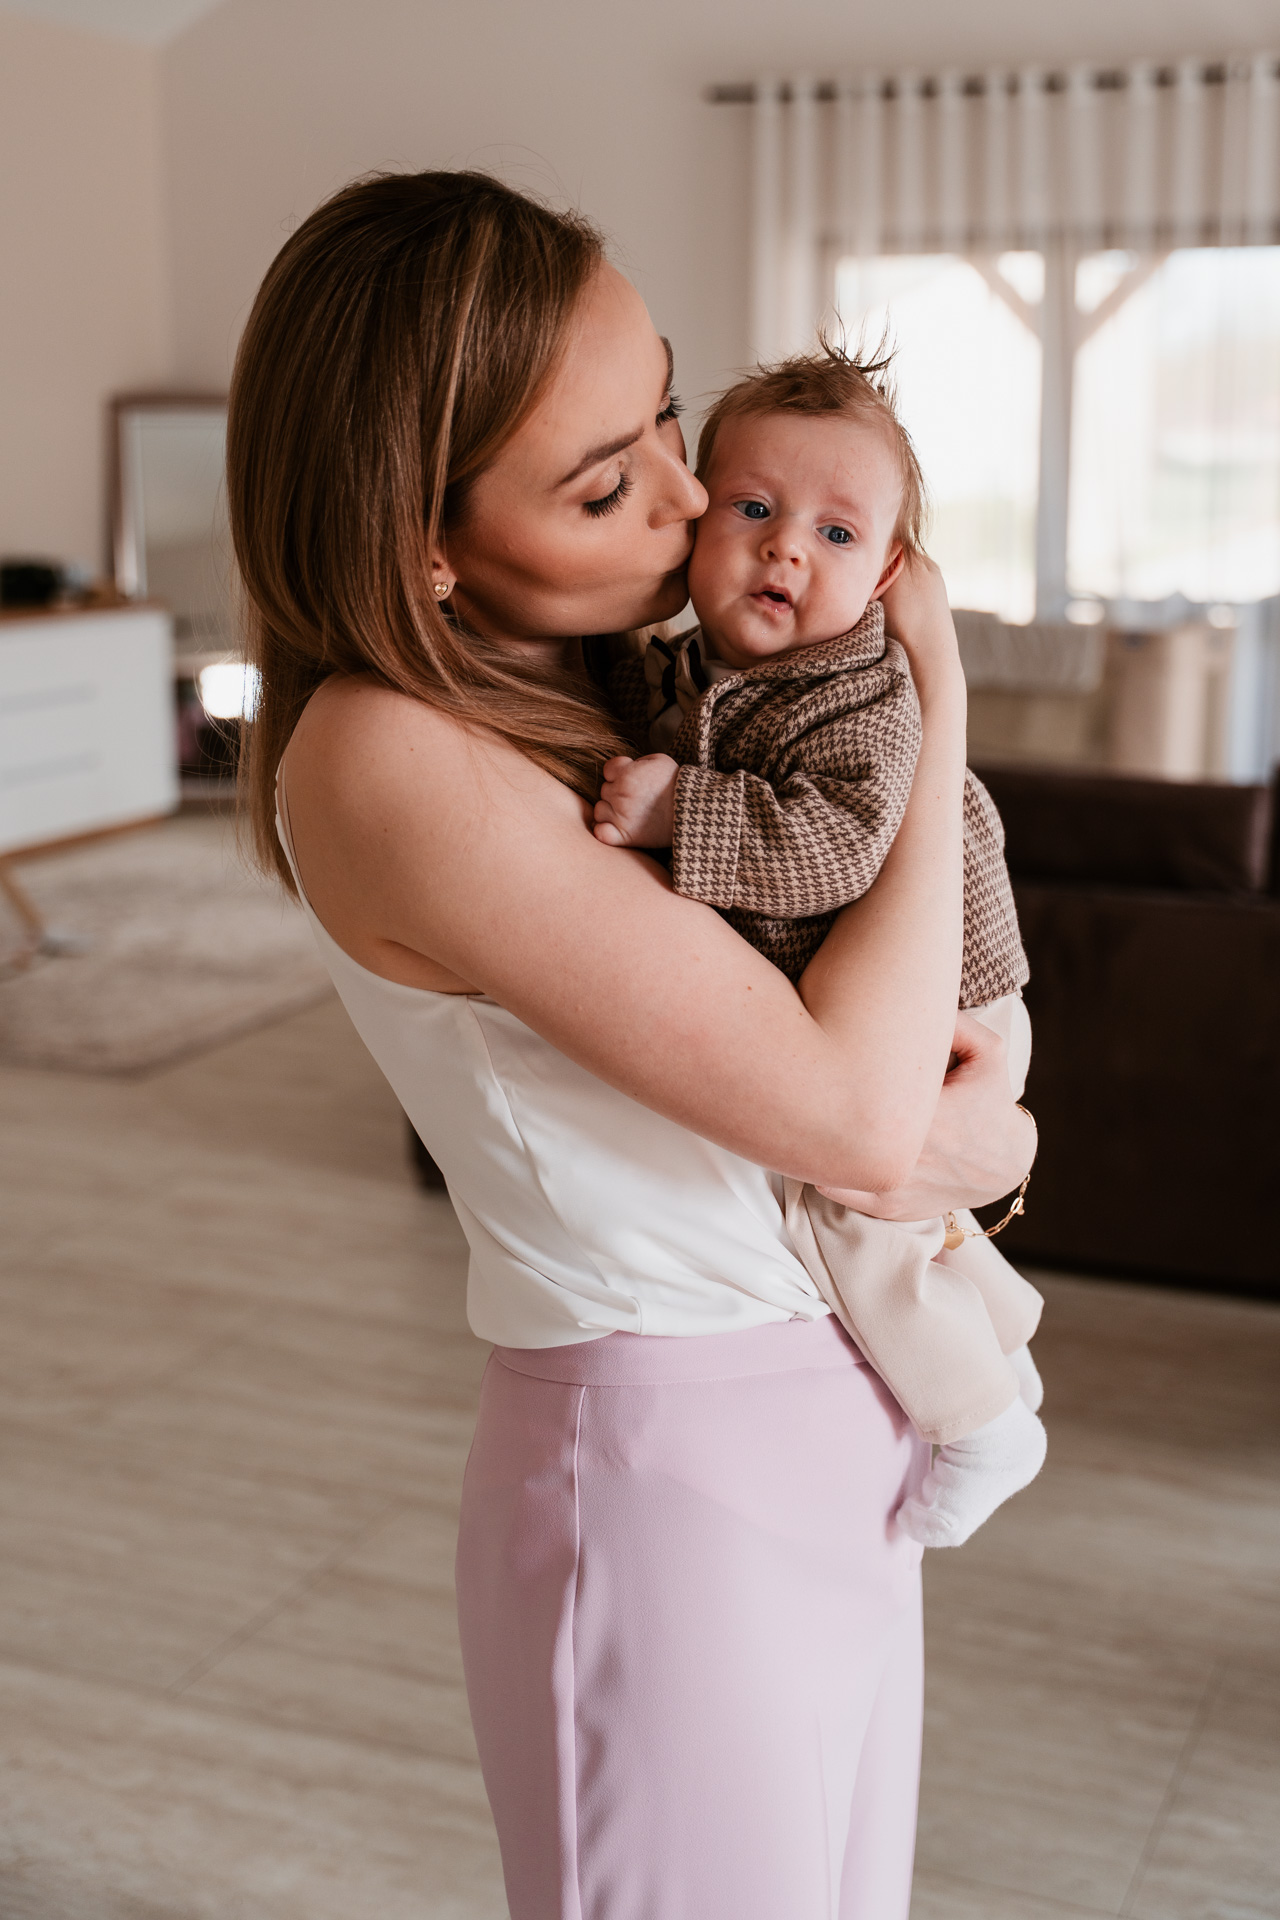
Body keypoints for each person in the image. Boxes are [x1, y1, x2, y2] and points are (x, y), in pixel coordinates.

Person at [226, 169, 1036, 1920]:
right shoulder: (387, 752)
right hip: (670, 1472)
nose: (685, 500)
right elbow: (857, 1115)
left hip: (832, 1410)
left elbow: (903, 1095)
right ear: (423, 542)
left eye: (666, 412)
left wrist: (976, 1139)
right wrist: (943, 698)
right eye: (605, 483)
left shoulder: (632, 689)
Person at [591, 346, 1048, 1549]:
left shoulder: (857, 698)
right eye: (753, 509)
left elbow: (836, 849)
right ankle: (999, 1341)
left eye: (834, 534)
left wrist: (676, 813)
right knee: (898, 1213)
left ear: (888, 574)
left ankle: (979, 1423)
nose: (784, 550)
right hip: (893, 998)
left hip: (952, 1004)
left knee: (844, 1213)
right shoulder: (710, 667)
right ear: (697, 517)